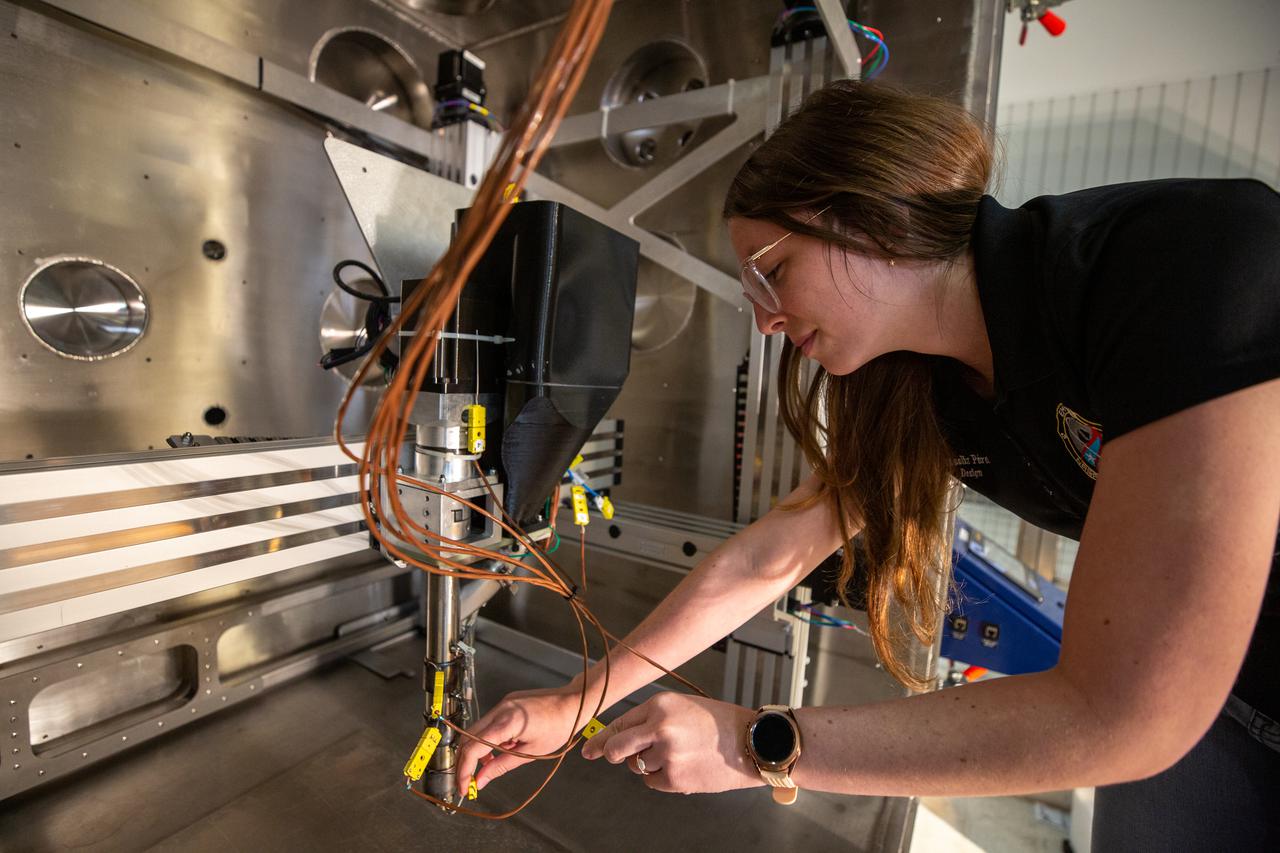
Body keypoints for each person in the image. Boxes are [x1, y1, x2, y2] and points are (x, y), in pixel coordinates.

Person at [457, 80, 1280, 849]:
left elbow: (1123, 713)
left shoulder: (1180, 264)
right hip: (1221, 696)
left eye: (773, 272)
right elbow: (768, 555)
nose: (769, 323)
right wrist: (578, 701)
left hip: (1184, 699)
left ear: (871, 218)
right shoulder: (927, 386)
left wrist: (757, 744)